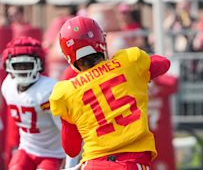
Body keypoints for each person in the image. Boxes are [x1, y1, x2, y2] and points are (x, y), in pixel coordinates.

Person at [49, 16, 170, 169]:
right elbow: (164, 63)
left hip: (95, 164)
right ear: (101, 41)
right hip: (130, 162)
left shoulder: (65, 91)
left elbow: (71, 149)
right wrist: (141, 76)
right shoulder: (128, 62)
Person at [1, 36, 65, 170]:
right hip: (26, 148)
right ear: (8, 65)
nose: (23, 70)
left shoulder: (49, 91)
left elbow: (66, 129)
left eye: (27, 65)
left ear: (39, 64)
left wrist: (69, 158)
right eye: (17, 65)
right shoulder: (8, 86)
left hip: (53, 153)